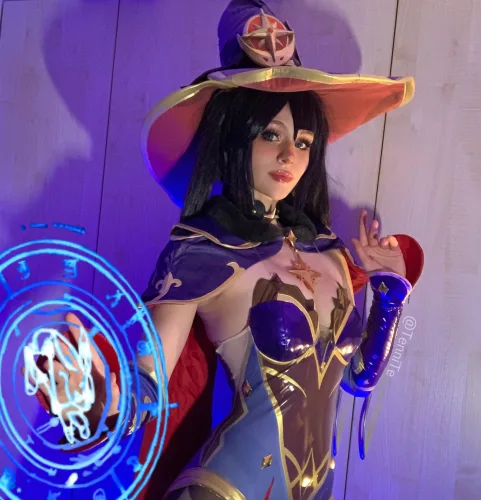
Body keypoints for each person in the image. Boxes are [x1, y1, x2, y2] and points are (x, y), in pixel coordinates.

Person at [32, 1, 424, 499]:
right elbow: (148, 384)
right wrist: (97, 401)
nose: (289, 154)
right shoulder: (203, 250)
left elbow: (359, 379)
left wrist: (391, 293)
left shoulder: (329, 252)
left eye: (304, 141)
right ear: (234, 140)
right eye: (270, 134)